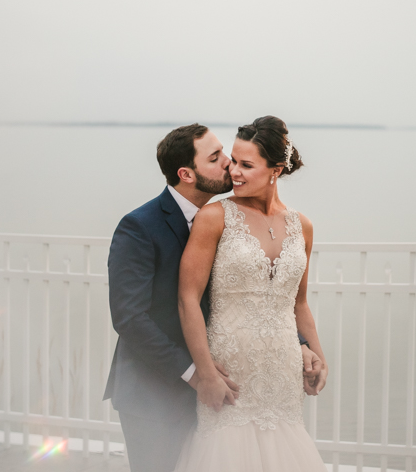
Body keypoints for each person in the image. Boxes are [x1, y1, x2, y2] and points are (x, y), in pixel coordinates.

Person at [104, 123, 324, 472]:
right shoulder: (140, 226)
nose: (228, 166)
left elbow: (270, 298)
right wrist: (197, 374)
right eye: (218, 157)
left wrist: (303, 345)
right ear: (186, 174)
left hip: (237, 380)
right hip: (158, 389)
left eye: (233, 157)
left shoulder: (243, 217)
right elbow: (130, 318)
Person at [175, 116, 328, 471]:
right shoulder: (215, 217)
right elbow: (188, 300)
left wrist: (317, 353)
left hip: (282, 375)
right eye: (234, 161)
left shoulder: (301, 226)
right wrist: (207, 374)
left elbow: (298, 302)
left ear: (275, 170)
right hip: (230, 374)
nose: (234, 172)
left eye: (247, 165)